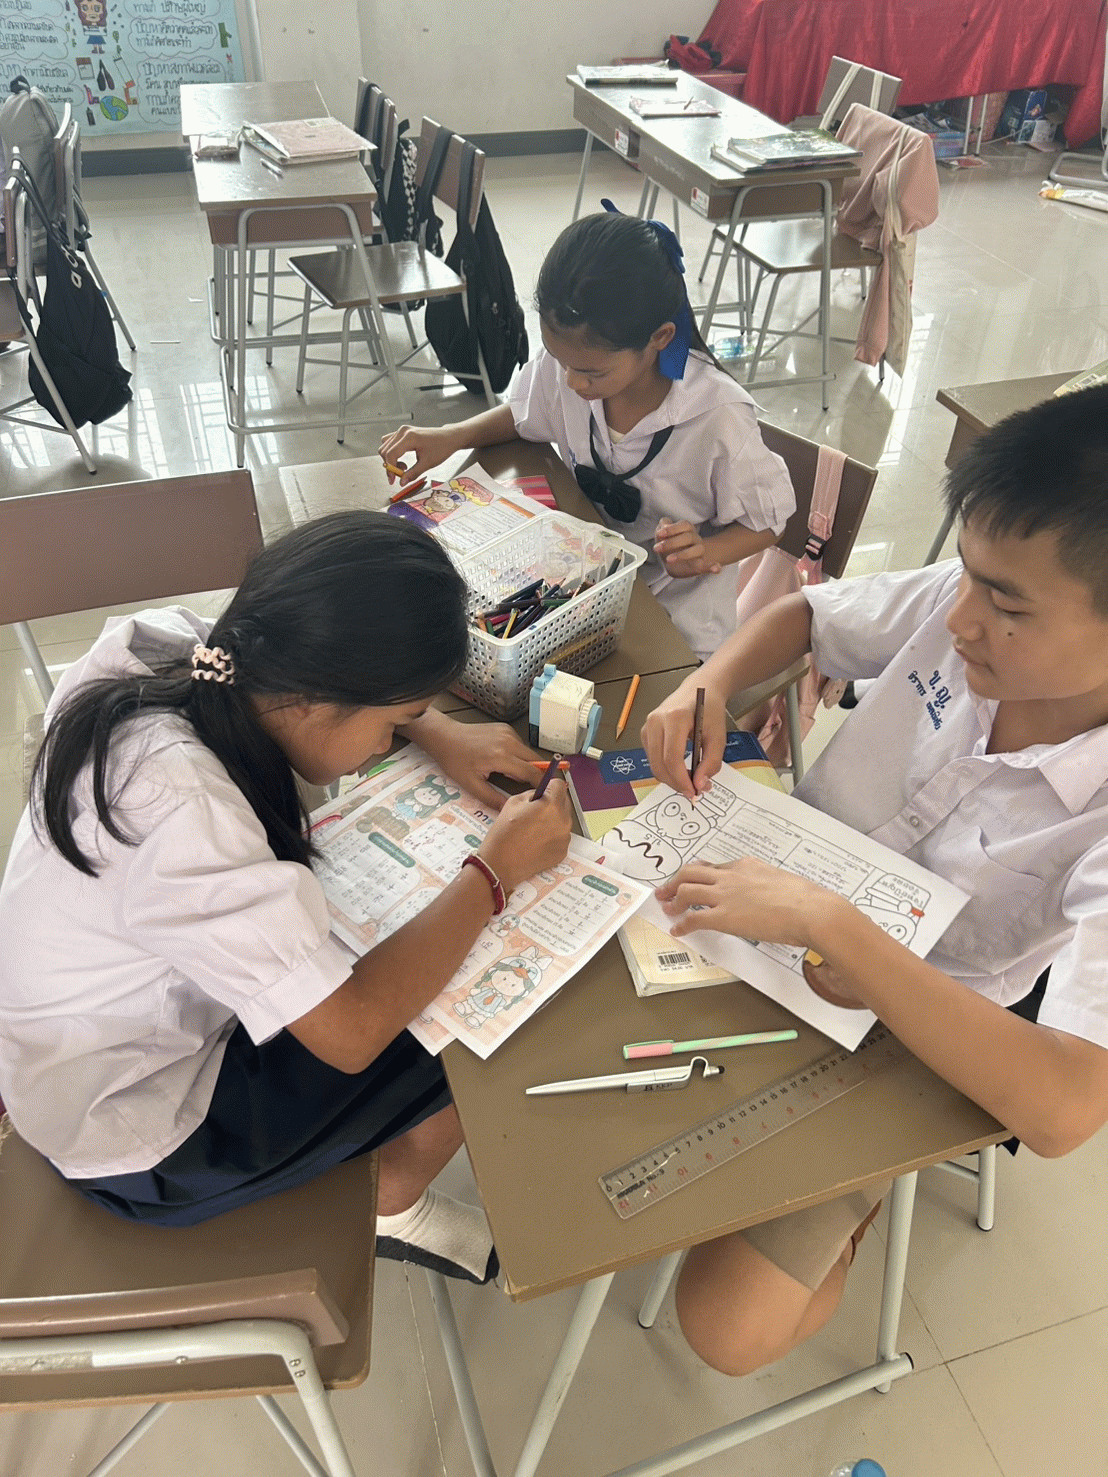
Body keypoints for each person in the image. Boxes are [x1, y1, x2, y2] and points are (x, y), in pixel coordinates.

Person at [639, 384, 1108, 1375]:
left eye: (1006, 606)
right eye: (968, 575)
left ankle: (852, 1217)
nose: (962, 618)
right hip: (782, 897)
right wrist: (707, 684)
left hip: (920, 1020)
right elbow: (805, 617)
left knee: (727, 1329)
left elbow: (1068, 1109)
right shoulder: (964, 601)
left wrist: (834, 925)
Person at [0, 511, 572, 1284]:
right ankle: (394, 1198)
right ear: (314, 694)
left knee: (422, 961)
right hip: (139, 1136)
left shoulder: (180, 649)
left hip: (80, 1047)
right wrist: (494, 870)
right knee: (481, 1003)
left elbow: (312, 686)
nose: (385, 743)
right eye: (393, 721)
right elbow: (352, 1033)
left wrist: (437, 731)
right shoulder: (184, 815)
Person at [379, 207, 795, 663]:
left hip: (675, 618)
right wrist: (451, 436)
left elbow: (767, 523)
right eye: (560, 362)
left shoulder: (718, 418)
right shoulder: (574, 362)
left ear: (660, 337)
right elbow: (526, 413)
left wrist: (707, 551)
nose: (571, 383)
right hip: (583, 587)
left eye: (591, 373)